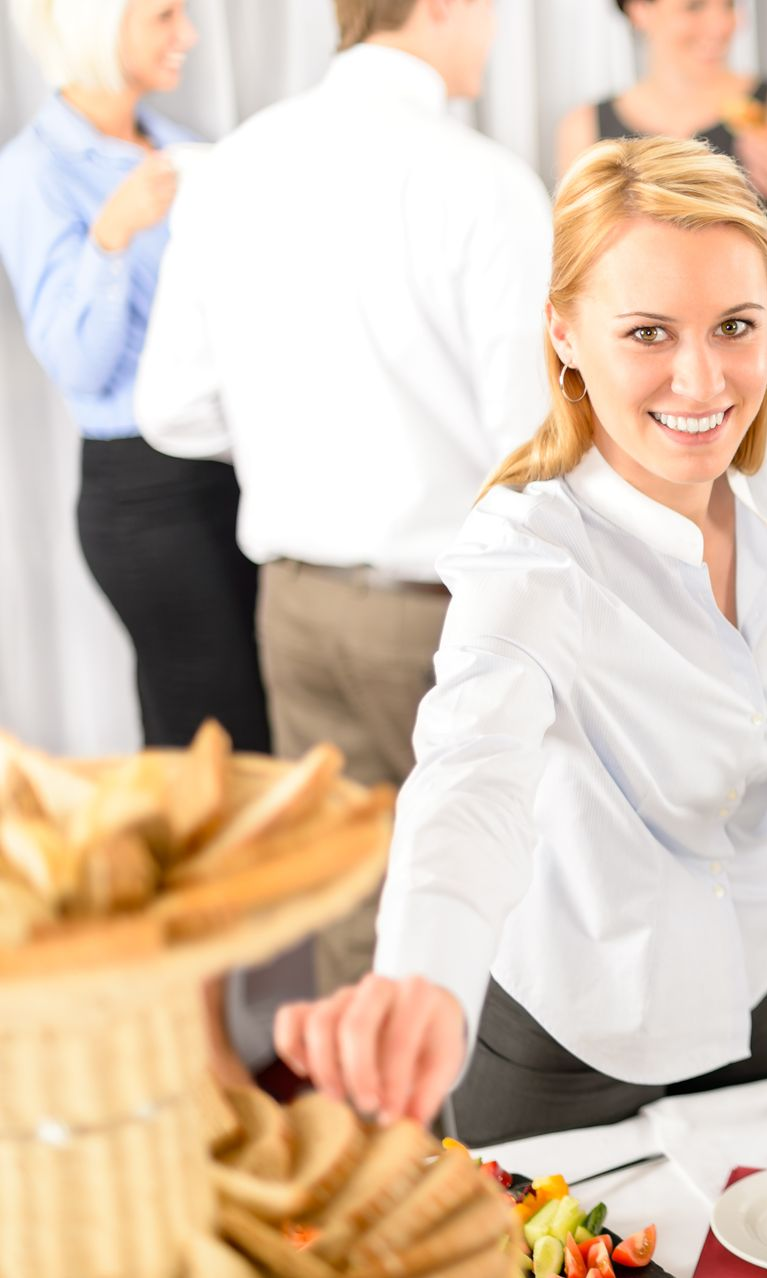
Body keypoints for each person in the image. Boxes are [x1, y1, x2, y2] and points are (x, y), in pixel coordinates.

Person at [273, 135, 767, 1143]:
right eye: (649, 332)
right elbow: (467, 779)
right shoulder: (527, 546)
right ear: (564, 333)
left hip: (761, 969)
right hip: (579, 1020)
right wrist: (422, 982)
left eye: (734, 326)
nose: (702, 381)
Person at [135, 0, 553, 1022]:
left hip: (295, 610)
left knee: (355, 917)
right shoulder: (484, 182)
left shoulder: (232, 165)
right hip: (441, 618)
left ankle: (373, 1167)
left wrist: (303, 449)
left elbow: (172, 412)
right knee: (494, 916)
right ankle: (483, 1178)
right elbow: (535, 442)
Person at [0, 0, 270, 754]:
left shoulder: (188, 153)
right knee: (216, 736)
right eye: (164, 16)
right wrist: (111, 238)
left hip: (230, 474)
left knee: (237, 728)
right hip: (144, 501)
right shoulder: (32, 172)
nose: (186, 36)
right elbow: (79, 366)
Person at [557, 0, 767, 425]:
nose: (721, 24)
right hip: (644, 393)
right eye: (695, 7)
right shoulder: (585, 130)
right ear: (639, 10)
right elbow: (579, 289)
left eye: (728, 5)